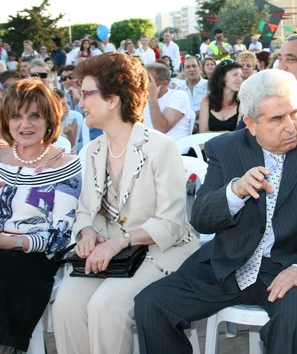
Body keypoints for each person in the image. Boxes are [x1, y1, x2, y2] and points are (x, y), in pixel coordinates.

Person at [134, 69, 297, 354]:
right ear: (251, 124)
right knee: (152, 304)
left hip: (292, 266)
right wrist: (234, 191)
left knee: (292, 321)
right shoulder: (225, 148)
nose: (291, 127)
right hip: (228, 264)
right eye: (277, 119)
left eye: (295, 113)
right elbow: (201, 218)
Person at [52, 52, 198, 354]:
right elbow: (84, 211)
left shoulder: (161, 146)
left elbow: (170, 222)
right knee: (66, 302)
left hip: (161, 248)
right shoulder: (93, 150)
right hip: (111, 252)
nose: (80, 103)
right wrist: (88, 234)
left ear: (113, 99)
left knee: (106, 307)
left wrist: (119, 242)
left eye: (87, 93)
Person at [0, 79, 82, 353]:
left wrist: (14, 242)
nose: (25, 125)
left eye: (34, 115)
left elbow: (61, 237)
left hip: (34, 256)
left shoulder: (67, 166)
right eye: (16, 116)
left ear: (50, 119)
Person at [143, 62, 192, 140]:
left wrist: (152, 99)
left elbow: (161, 129)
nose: (143, 84)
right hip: (146, 148)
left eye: (148, 80)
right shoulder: (141, 98)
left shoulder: (179, 96)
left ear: (165, 83)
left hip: (174, 149)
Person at [200, 59, 242, 132]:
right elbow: (203, 132)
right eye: (235, 75)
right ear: (222, 77)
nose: (240, 79)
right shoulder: (206, 102)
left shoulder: (241, 103)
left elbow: (239, 134)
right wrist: (225, 133)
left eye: (241, 76)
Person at [175, 56, 209, 123]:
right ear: (183, 70)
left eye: (194, 66)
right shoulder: (178, 88)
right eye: (188, 67)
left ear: (200, 68)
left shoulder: (210, 86)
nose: (191, 69)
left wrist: (191, 118)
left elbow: (213, 108)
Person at [54, 88, 78, 153]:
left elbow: (72, 147)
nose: (68, 107)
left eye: (67, 103)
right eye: (63, 104)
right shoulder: (45, 123)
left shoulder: (72, 121)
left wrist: (69, 134)